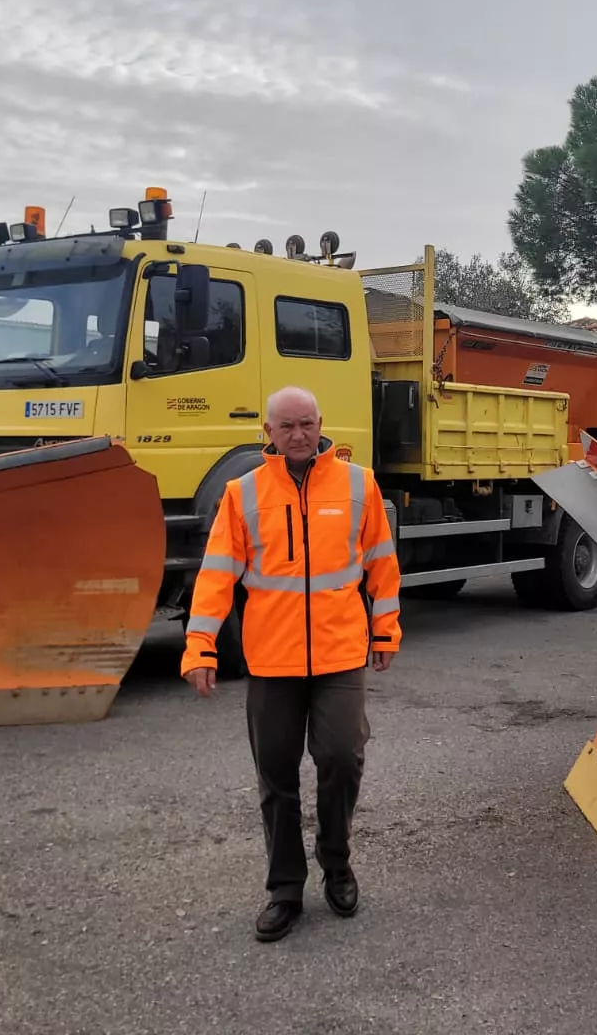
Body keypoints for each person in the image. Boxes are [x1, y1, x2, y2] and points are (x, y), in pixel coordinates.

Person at [180, 385, 403, 943]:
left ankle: (337, 862)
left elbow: (381, 562)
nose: (299, 434)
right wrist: (201, 645)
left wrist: (385, 629)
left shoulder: (359, 485)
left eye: (307, 424)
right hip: (272, 661)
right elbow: (215, 577)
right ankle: (284, 889)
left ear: (321, 424)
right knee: (276, 775)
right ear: (268, 434)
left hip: (339, 655)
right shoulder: (243, 493)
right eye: (287, 426)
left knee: (343, 756)